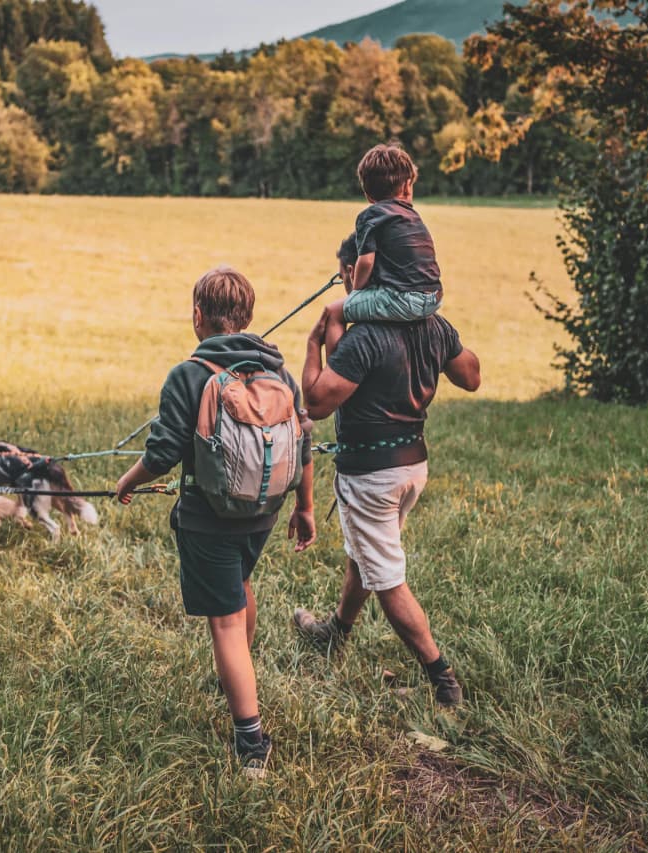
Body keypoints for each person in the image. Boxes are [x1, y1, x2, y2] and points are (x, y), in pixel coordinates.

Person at [115, 266, 317, 777]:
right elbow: (305, 444)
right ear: (248, 316)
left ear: (198, 315)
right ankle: (238, 674)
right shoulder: (279, 371)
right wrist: (306, 507)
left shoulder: (189, 374)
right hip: (265, 511)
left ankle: (251, 744)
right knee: (241, 584)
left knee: (224, 621)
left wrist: (128, 482)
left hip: (209, 517)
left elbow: (161, 453)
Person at [293, 242, 480, 707]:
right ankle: (335, 632)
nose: (343, 286)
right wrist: (443, 335)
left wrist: (314, 341)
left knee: (387, 580)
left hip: (372, 477)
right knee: (366, 553)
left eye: (343, 277)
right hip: (413, 468)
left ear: (357, 275)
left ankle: (443, 680)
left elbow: (316, 401)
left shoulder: (364, 339)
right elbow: (472, 376)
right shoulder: (433, 326)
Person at [321, 143, 445, 356]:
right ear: (407, 187)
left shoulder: (370, 216)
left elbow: (367, 261)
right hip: (434, 297)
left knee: (333, 313)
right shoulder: (413, 216)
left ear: (368, 195)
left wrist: (357, 292)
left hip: (406, 299)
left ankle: (335, 370)